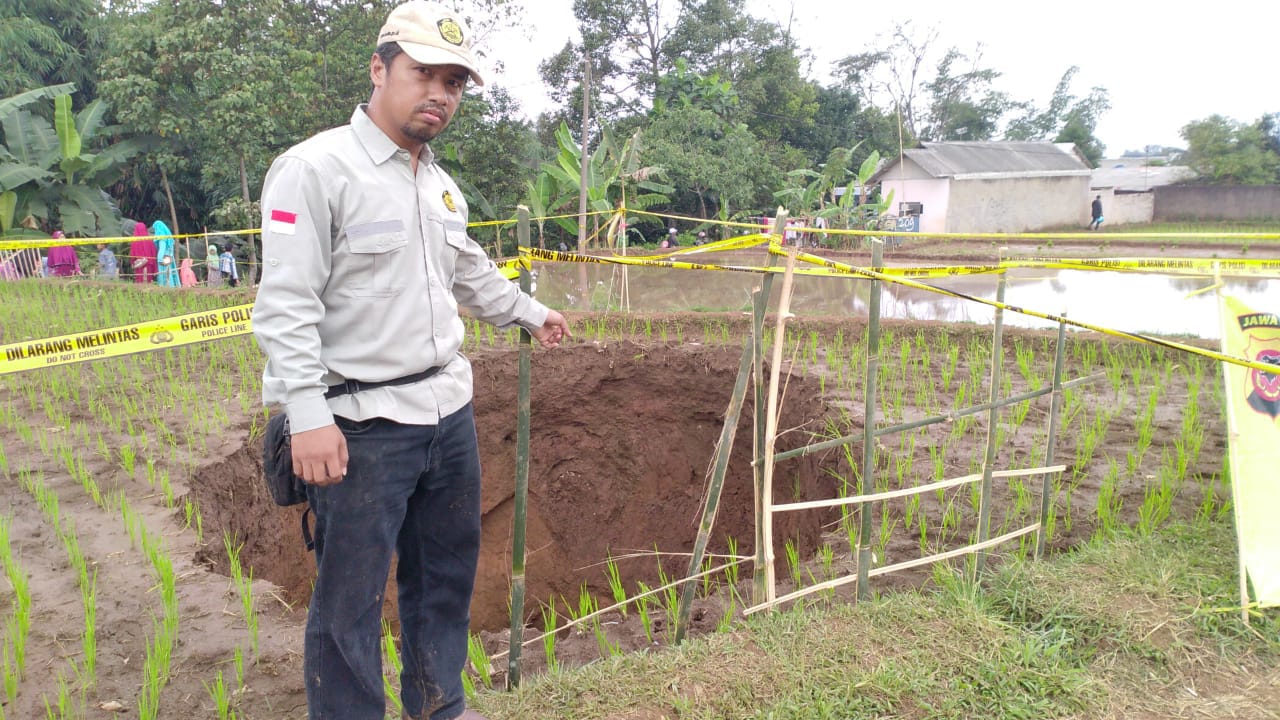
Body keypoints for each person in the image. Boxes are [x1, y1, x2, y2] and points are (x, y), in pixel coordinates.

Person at [250, 4, 571, 719]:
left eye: (454, 82)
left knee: (445, 580)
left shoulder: (437, 183)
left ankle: (440, 707)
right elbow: (285, 304)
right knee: (350, 602)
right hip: (360, 424)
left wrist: (530, 312)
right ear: (379, 69)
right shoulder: (315, 170)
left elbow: (469, 273)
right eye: (424, 72)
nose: (440, 93)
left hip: (445, 414)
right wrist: (306, 414)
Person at [153, 220, 179, 287]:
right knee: (169, 272)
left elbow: (162, 248)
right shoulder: (167, 236)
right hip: (169, 256)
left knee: (164, 273)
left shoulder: (162, 237)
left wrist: (159, 259)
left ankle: (166, 287)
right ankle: (172, 286)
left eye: (155, 228)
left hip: (163, 257)